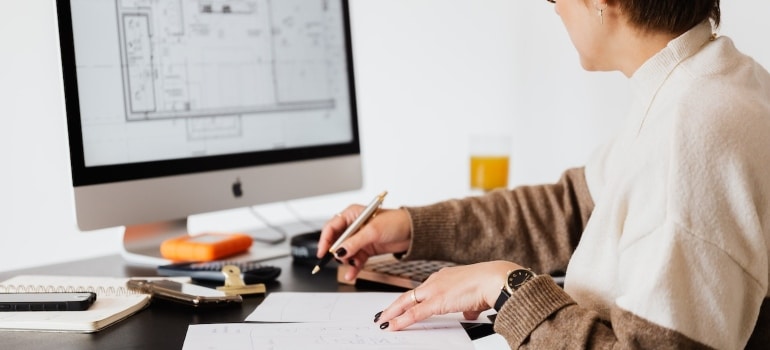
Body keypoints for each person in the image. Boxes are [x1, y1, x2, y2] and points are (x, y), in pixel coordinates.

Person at [317, 0, 770, 349]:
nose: (554, 8)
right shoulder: (706, 82)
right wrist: (411, 225)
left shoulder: (692, 132)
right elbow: (572, 208)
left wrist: (505, 289)